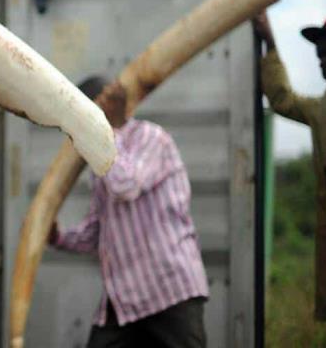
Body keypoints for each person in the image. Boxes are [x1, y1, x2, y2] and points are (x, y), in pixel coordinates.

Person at [48, 76, 209, 348]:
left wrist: (104, 130)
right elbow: (97, 234)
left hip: (169, 290)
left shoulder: (151, 138)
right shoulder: (103, 161)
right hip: (124, 298)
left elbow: (126, 185)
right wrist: (58, 238)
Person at [253, 11, 326, 320]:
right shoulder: (322, 109)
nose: (323, 62)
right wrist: (269, 42)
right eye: (320, 55)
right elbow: (283, 99)